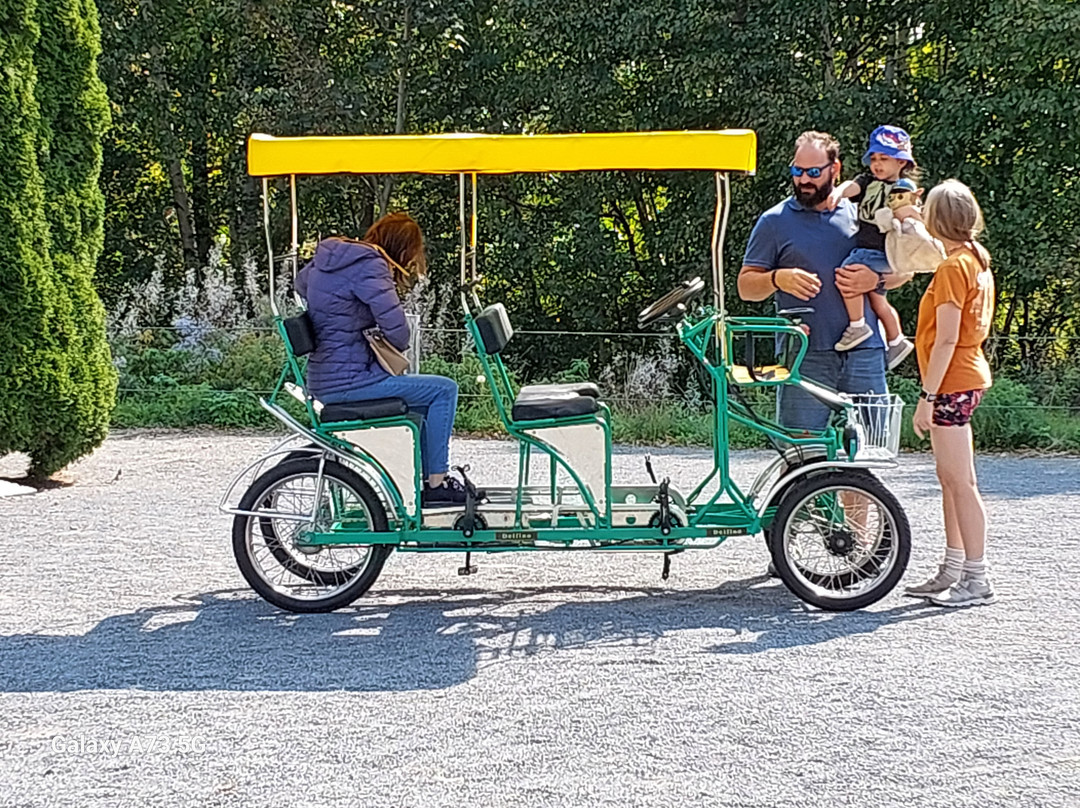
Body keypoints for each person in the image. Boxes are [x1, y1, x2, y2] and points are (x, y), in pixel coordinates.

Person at [738, 130, 911, 434]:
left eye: (814, 172)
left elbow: (905, 270)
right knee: (802, 455)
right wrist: (778, 278)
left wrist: (876, 278)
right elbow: (746, 287)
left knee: (870, 451)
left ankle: (850, 486)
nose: (804, 179)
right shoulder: (773, 221)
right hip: (806, 354)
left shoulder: (865, 213)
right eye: (798, 171)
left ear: (836, 169)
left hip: (865, 352)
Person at [295, 212, 468, 508]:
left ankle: (426, 481)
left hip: (325, 377)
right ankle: (435, 485)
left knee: (423, 397)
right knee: (443, 389)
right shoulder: (371, 265)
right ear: (402, 248)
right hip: (350, 381)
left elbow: (301, 286)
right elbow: (399, 334)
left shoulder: (331, 259)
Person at [905, 180, 996, 607]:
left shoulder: (952, 268)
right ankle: (954, 566)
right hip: (965, 376)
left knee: (959, 481)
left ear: (936, 219)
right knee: (950, 478)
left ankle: (975, 576)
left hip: (952, 380)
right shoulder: (975, 260)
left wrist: (927, 396)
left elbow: (946, 338)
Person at [826, 125, 919, 368]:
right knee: (878, 300)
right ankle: (896, 339)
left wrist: (907, 217)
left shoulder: (903, 188)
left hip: (880, 251)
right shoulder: (867, 181)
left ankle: (857, 325)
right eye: (874, 158)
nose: (877, 164)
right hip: (869, 249)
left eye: (884, 159)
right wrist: (838, 193)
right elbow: (852, 187)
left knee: (847, 275)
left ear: (901, 163)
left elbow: (909, 214)